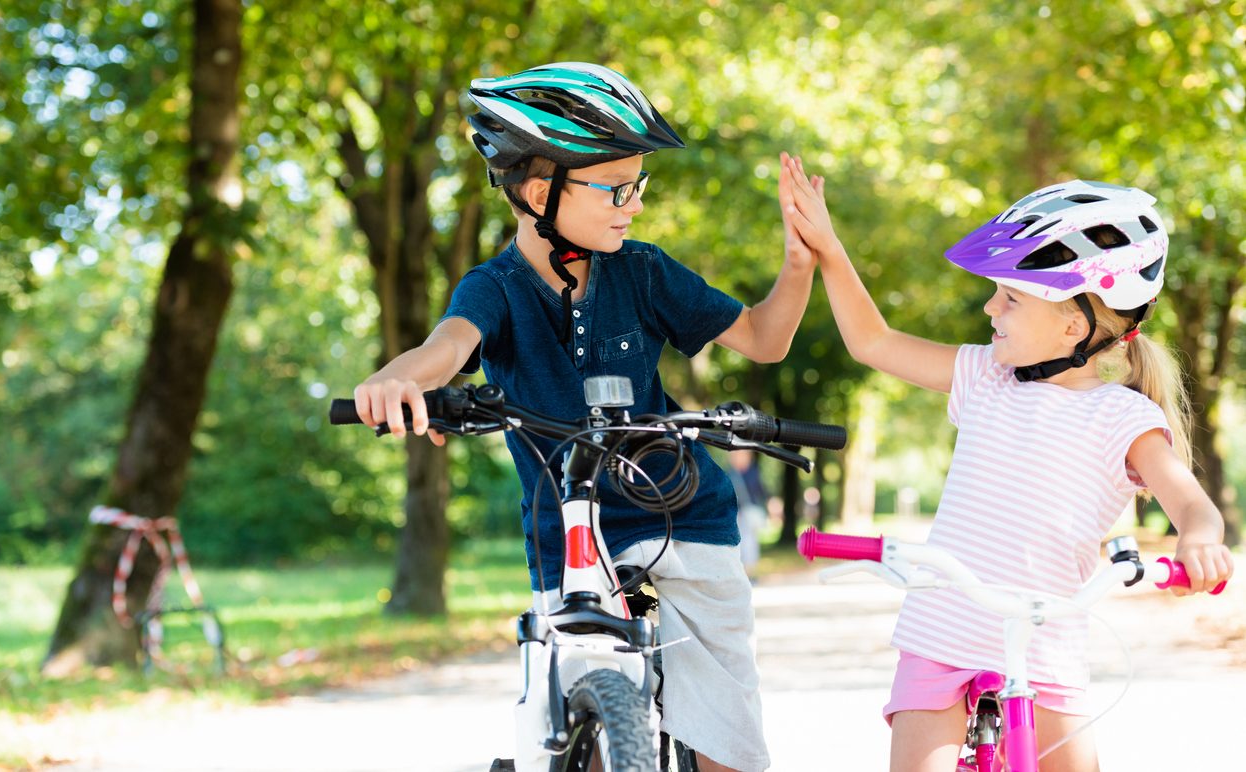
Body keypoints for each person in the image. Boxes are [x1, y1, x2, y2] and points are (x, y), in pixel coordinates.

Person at [352, 62, 817, 772]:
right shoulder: (495, 289)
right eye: (615, 188)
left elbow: (762, 339)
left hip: (683, 513)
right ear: (540, 192)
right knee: (575, 705)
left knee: (726, 731)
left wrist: (798, 264)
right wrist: (393, 380)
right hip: (570, 529)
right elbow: (445, 348)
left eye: (638, 186)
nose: (632, 203)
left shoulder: (643, 271)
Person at [779, 159, 1235, 772]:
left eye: (1010, 297)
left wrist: (1200, 540)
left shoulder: (1121, 416)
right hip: (942, 630)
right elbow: (875, 343)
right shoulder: (984, 377)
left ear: (1073, 324)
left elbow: (1189, 502)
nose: (992, 308)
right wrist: (830, 249)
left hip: (1045, 641)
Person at [727, 449, 770, 580]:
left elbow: (761, 490)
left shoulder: (753, 473)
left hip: (749, 514)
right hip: (735, 515)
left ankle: (749, 573)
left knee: (750, 543)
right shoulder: (729, 474)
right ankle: (740, 574)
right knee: (738, 544)